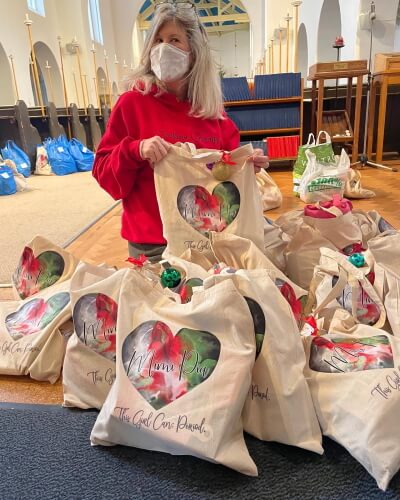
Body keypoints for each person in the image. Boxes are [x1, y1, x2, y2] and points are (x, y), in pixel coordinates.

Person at [92, 0, 269, 263]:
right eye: (158, 40)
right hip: (152, 245)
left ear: (194, 52)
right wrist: (135, 150)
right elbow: (104, 174)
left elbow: (226, 179)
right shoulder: (132, 103)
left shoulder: (212, 115)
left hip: (208, 242)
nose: (164, 48)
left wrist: (247, 165)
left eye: (174, 40)